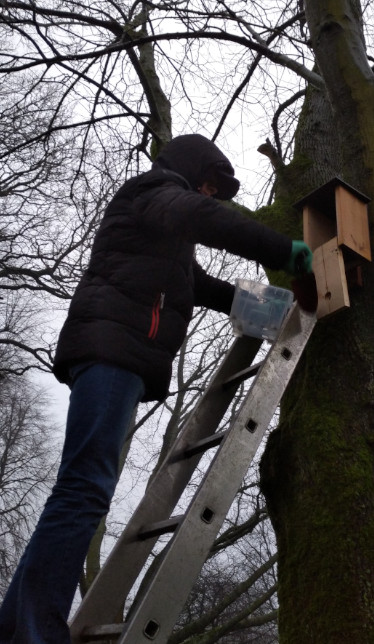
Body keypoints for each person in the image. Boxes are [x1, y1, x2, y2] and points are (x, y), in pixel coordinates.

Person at [0, 134, 312, 644]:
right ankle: (37, 631)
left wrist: (278, 311)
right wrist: (287, 251)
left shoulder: (166, 234)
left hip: (116, 355)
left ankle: (18, 626)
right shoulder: (154, 192)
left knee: (82, 488)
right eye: (209, 184)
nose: (211, 196)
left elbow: (204, 288)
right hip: (110, 350)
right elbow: (207, 219)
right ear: (189, 172)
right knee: (84, 488)